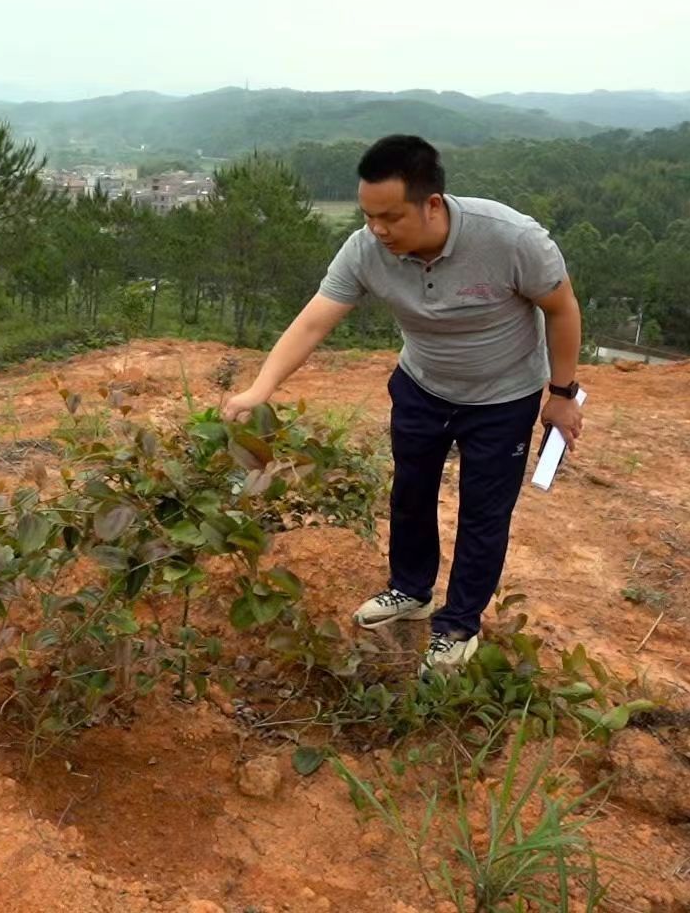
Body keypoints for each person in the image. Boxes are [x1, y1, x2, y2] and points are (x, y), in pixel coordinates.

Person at [222, 134, 584, 676]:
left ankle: (459, 624)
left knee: (484, 514)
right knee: (410, 495)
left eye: (391, 217)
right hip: (421, 385)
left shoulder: (510, 239)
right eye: (369, 217)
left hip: (503, 396)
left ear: (432, 204)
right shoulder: (367, 249)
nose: (378, 230)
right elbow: (316, 318)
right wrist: (260, 388)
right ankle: (411, 589)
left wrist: (559, 395)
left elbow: (561, 308)